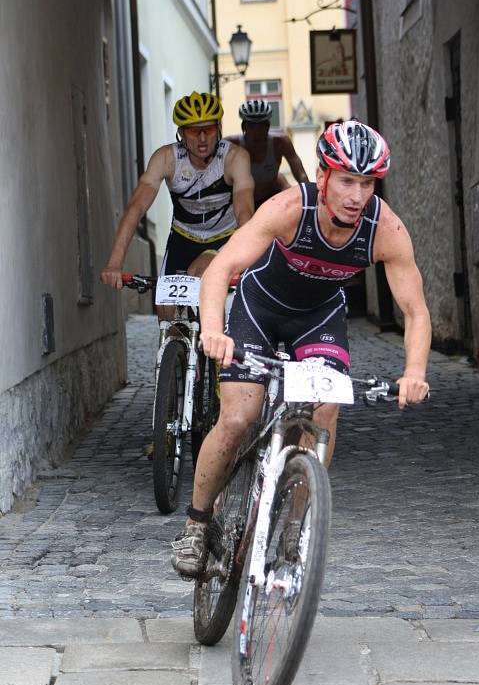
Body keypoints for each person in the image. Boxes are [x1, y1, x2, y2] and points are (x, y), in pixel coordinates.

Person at [170, 119, 431, 578]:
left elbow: (415, 311)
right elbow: (221, 267)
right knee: (237, 416)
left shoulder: (385, 229)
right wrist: (213, 329)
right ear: (324, 174)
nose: (356, 195)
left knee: (325, 409)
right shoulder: (291, 207)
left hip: (320, 317)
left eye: (367, 183)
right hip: (261, 308)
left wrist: (414, 371)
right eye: (347, 180)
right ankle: (195, 526)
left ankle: (294, 531)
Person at [100, 91, 254, 299]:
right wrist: (114, 263)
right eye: (193, 131)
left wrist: (249, 259)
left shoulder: (234, 158)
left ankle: (209, 329)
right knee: (166, 309)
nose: (202, 138)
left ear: (218, 129)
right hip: (182, 238)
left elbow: (244, 212)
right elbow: (136, 207)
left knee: (198, 272)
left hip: (222, 238)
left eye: (208, 129)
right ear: (181, 133)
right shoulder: (166, 158)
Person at [226, 100, 309, 208]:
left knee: (286, 189)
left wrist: (310, 195)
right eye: (251, 126)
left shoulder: (281, 142)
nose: (257, 132)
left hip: (269, 198)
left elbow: (301, 175)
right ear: (243, 127)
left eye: (261, 126)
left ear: (268, 126)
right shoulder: (230, 145)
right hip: (239, 200)